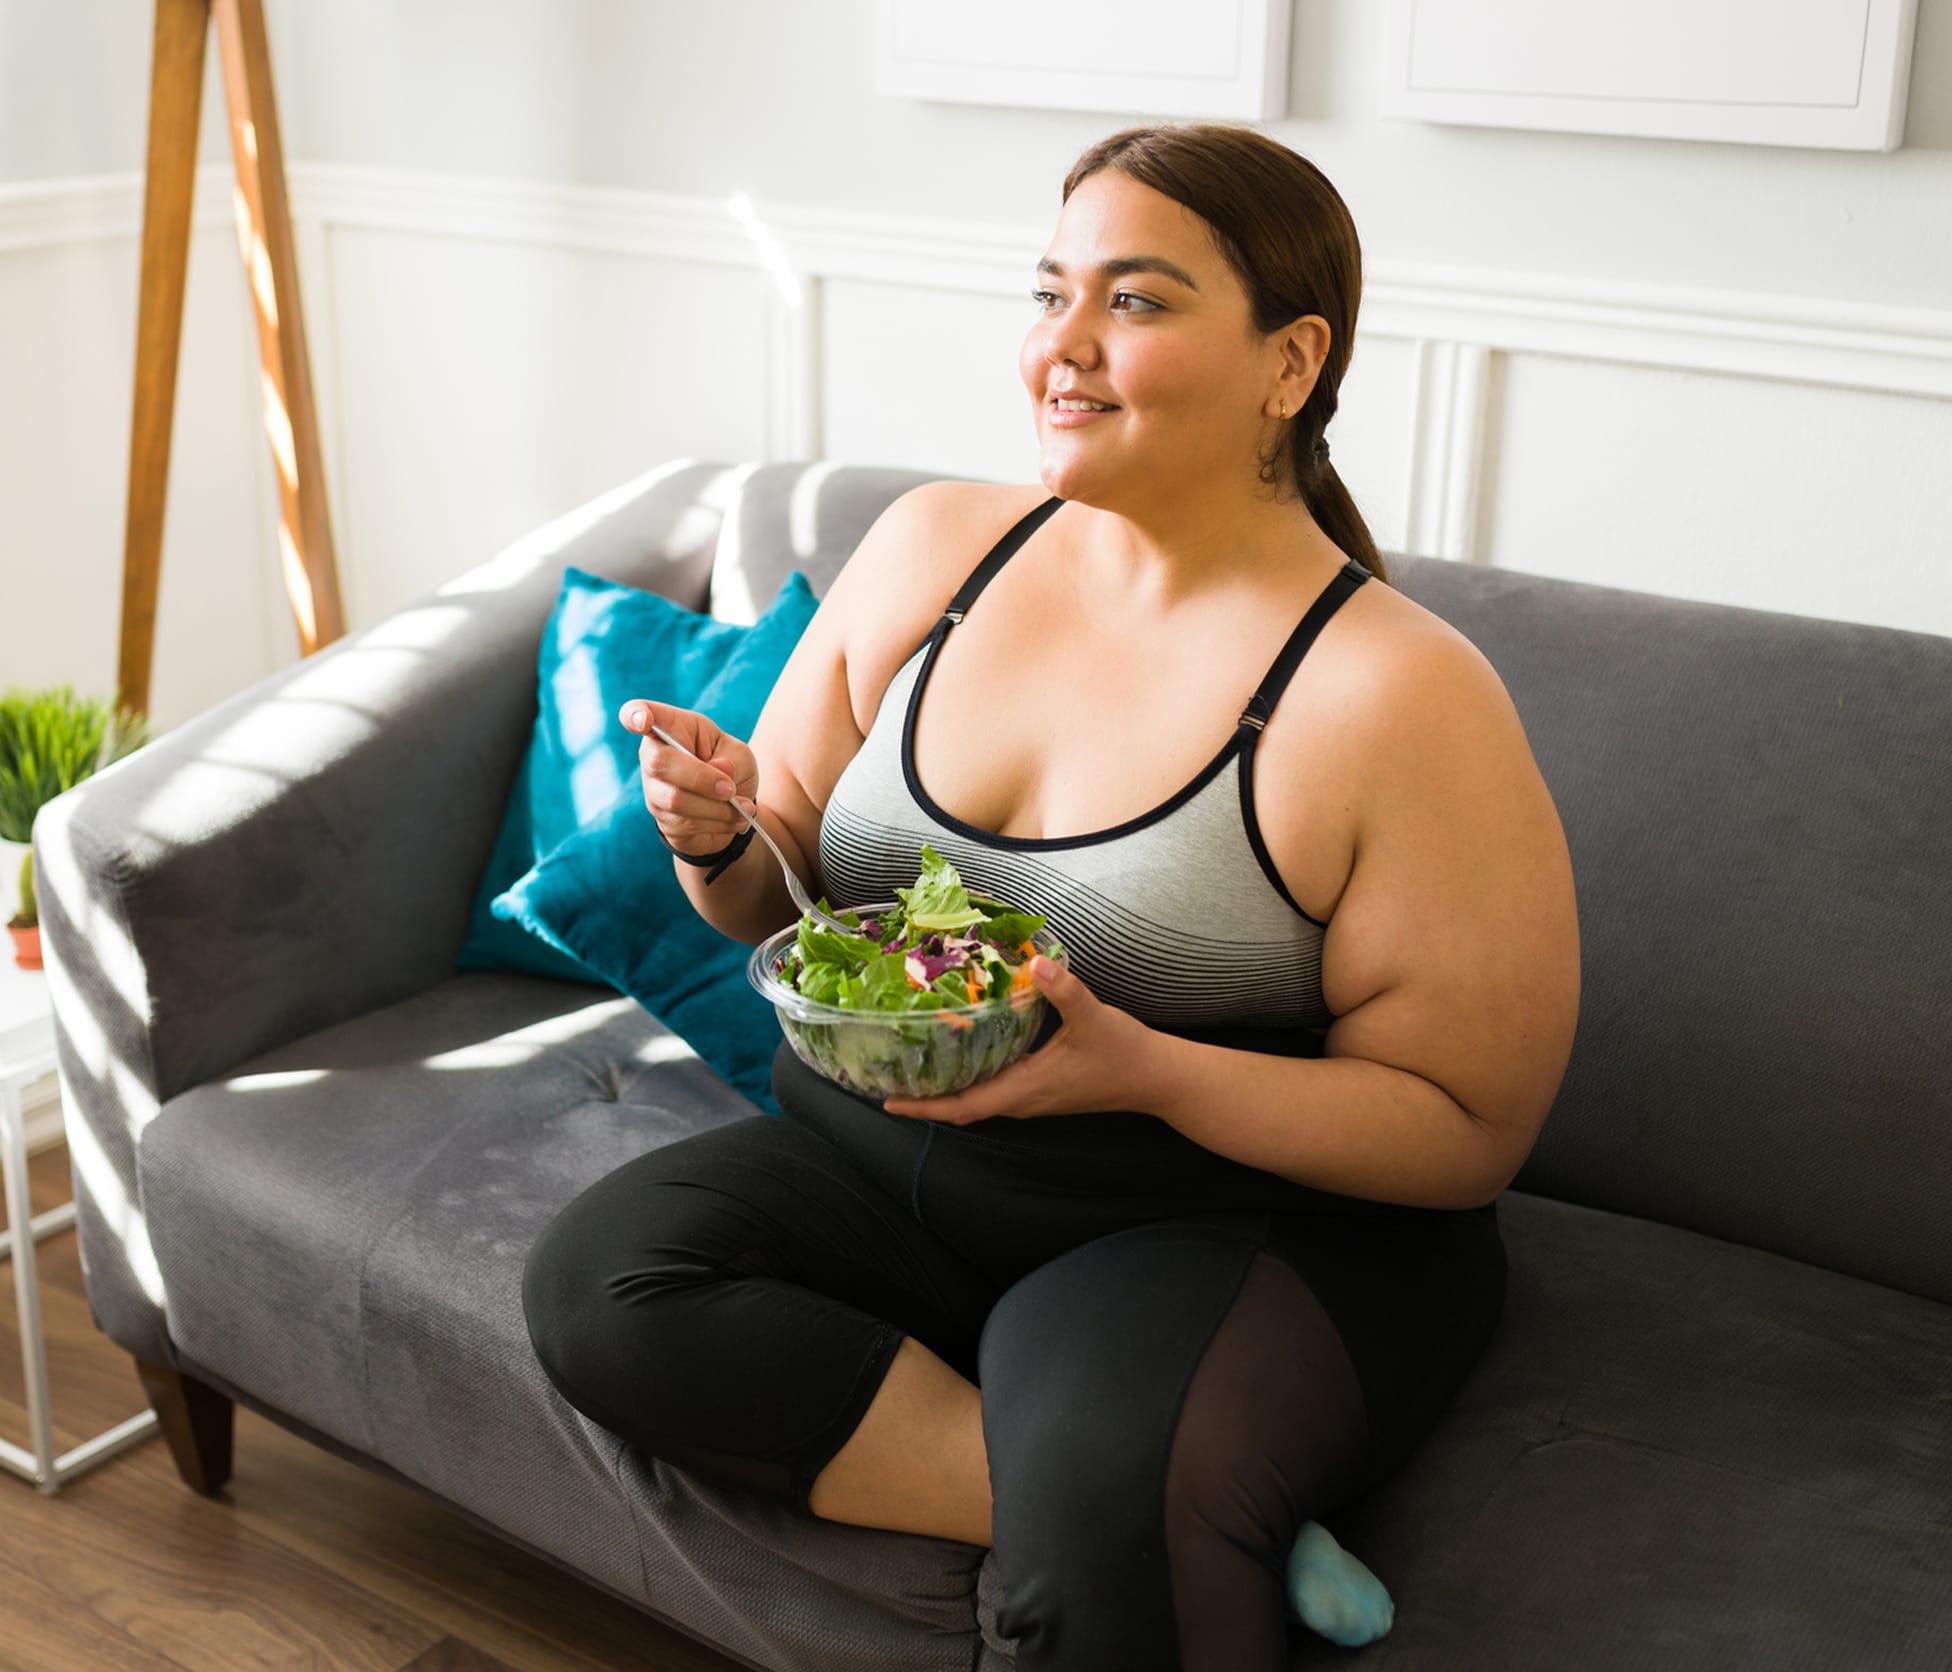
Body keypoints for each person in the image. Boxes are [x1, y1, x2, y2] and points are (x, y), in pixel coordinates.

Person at [520, 122, 1581, 1672]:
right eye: (1050, 291)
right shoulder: (935, 550)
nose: (1061, 346)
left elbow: (1467, 1131)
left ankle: (1141, 1501)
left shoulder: (1395, 694)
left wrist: (1143, 1067)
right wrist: (715, 834)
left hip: (1216, 1221)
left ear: (1290, 364)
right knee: (598, 1286)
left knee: (1110, 1526)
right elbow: (776, 899)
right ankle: (1176, 1510)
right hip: (887, 1164)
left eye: (1134, 301)